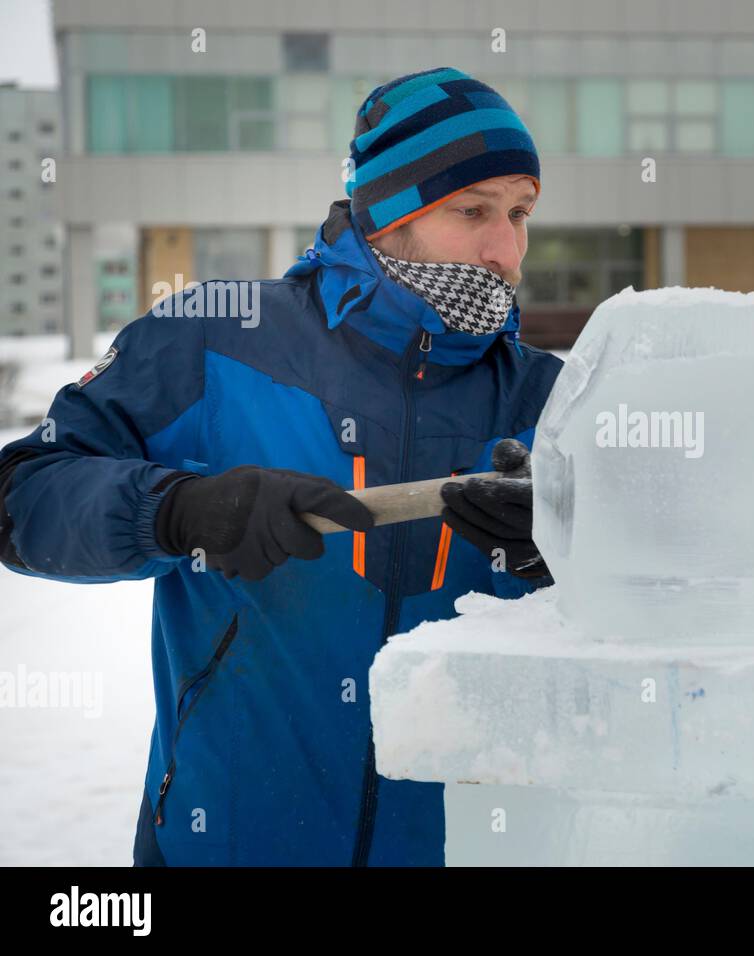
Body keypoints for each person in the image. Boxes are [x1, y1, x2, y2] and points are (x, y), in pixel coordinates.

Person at [0, 67, 561, 866]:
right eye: (472, 211)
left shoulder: (555, 401)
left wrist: (561, 557)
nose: (506, 250)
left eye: (520, 214)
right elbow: (22, 495)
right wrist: (176, 510)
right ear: (388, 212)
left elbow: (682, 610)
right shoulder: (215, 340)